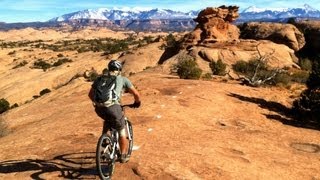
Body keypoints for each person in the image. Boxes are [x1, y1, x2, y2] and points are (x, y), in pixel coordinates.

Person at [89, 60, 141, 163]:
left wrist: (99, 103)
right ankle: (123, 155)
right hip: (113, 107)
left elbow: (90, 94)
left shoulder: (100, 78)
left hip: (99, 108)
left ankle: (105, 139)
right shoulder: (122, 79)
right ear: (119, 69)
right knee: (121, 129)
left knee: (108, 118)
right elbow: (136, 94)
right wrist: (137, 102)